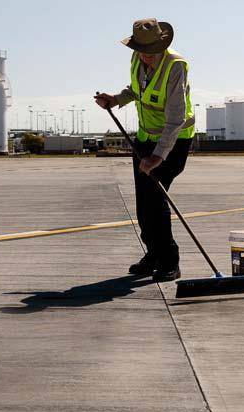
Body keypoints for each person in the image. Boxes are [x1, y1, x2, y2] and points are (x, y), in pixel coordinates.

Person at [94, 18, 195, 282]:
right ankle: (152, 253)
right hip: (145, 138)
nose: (145, 57)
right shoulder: (137, 60)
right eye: (140, 51)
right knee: (143, 201)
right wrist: (115, 100)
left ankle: (169, 260)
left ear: (162, 46)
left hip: (173, 140)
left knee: (156, 199)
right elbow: (137, 90)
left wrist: (158, 155)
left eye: (150, 52)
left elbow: (176, 118)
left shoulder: (176, 66)